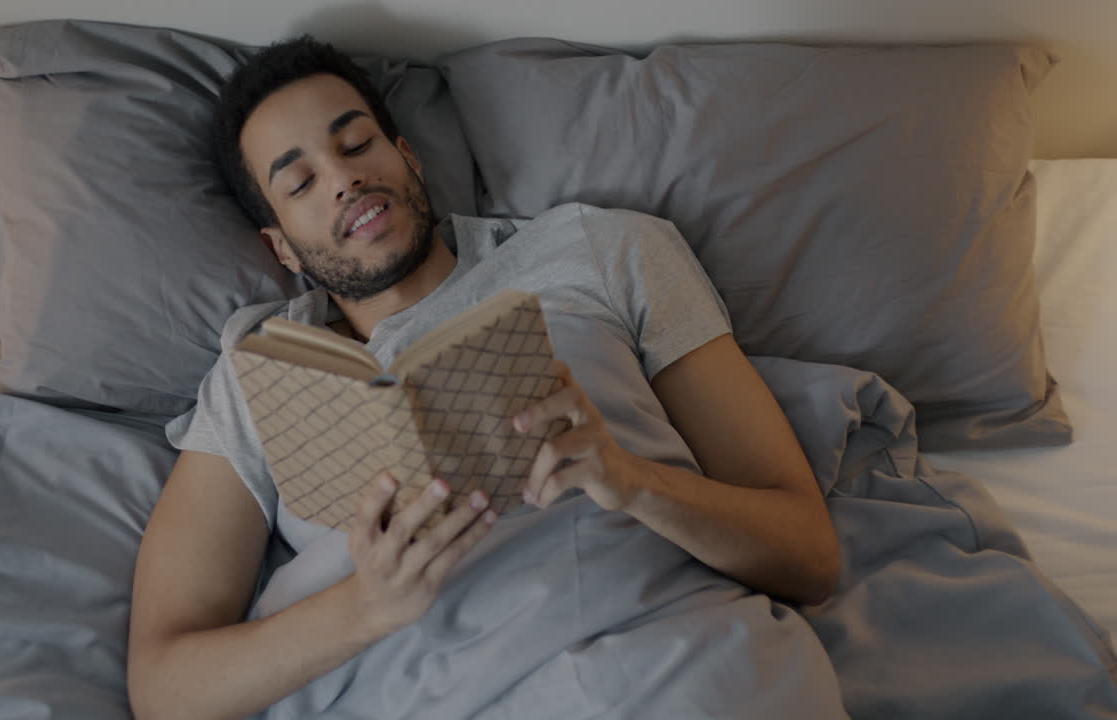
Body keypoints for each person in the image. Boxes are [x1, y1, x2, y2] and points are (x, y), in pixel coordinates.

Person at [127, 35, 845, 720]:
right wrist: (367, 607)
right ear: (280, 245)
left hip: (677, 667)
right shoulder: (257, 376)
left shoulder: (601, 248)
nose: (344, 179)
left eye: (356, 144)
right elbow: (164, 688)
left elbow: (808, 556)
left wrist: (634, 482)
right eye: (302, 181)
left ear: (408, 157)